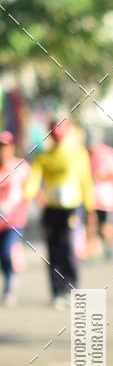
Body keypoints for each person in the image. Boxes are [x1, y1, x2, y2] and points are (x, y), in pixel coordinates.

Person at [24, 119, 96, 308]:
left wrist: (90, 207)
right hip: (51, 210)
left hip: (72, 208)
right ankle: (57, 291)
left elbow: (85, 181)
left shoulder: (77, 153)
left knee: (69, 248)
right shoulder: (44, 156)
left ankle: (71, 289)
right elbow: (34, 180)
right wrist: (27, 195)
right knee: (53, 250)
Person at [0, 131, 30, 306]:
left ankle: (11, 285)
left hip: (15, 220)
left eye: (6, 147)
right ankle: (8, 277)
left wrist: (21, 204)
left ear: (11, 147)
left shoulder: (20, 166)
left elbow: (27, 188)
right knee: (2, 256)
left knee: (7, 251)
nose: (3, 151)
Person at [89, 141, 113, 261]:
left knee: (107, 226)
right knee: (91, 225)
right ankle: (93, 253)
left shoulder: (110, 154)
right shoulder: (86, 156)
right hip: (91, 198)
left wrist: (103, 176)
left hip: (107, 200)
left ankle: (108, 247)